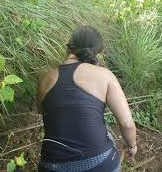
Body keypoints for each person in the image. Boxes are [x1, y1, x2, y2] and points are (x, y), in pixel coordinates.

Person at [37, 25, 137, 172]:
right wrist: (132, 145)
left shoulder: (46, 79)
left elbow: (42, 111)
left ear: (68, 47)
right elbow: (127, 123)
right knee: (108, 135)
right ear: (96, 53)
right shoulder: (104, 75)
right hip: (98, 163)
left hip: (51, 166)